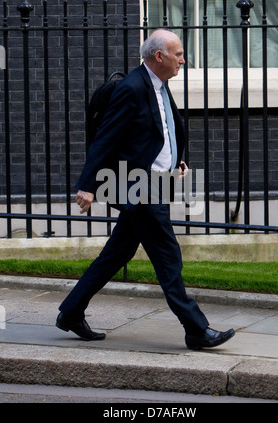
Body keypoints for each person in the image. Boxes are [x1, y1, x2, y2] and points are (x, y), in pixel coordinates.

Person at [56, 29, 235, 350]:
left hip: (157, 182)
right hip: (139, 187)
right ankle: (196, 328)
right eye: (178, 53)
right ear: (159, 57)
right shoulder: (132, 88)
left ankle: (71, 311)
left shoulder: (160, 86)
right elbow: (107, 138)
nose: (183, 59)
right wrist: (87, 185)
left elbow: (162, 130)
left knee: (117, 253)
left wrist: (176, 161)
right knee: (168, 258)